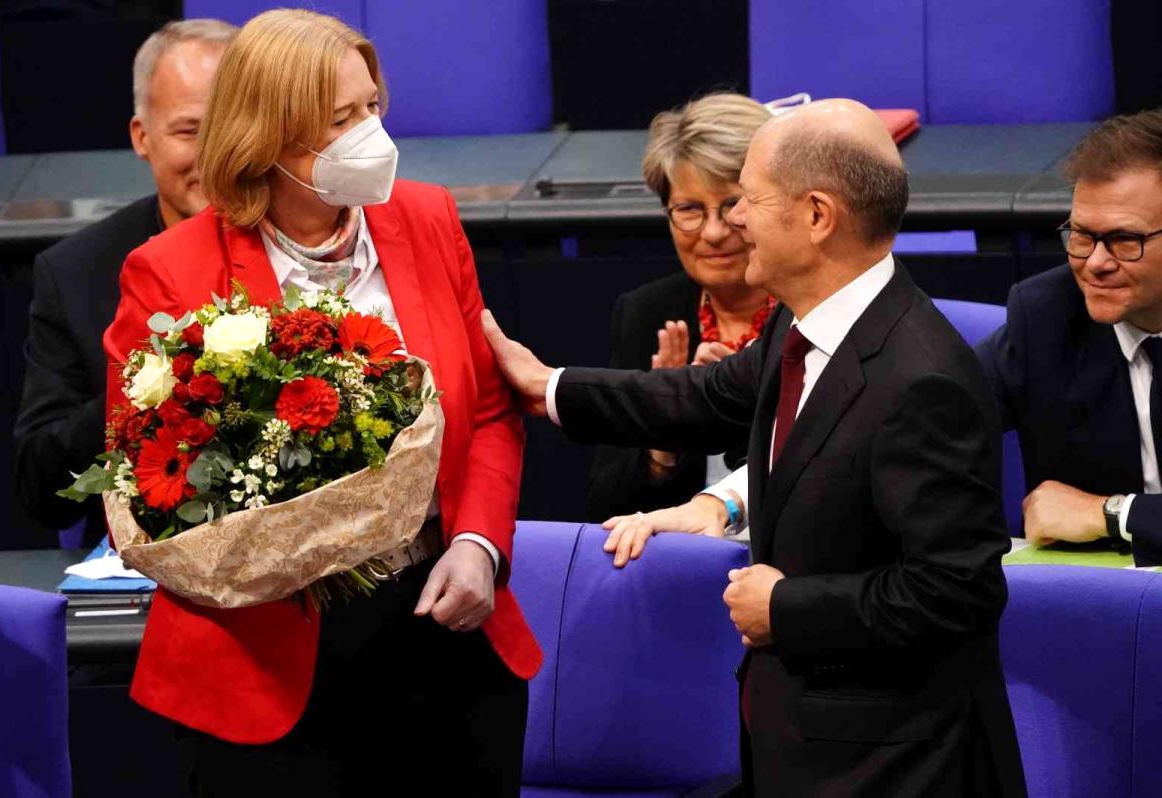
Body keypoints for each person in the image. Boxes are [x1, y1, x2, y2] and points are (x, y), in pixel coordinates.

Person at [483, 99, 1026, 796]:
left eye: (748, 200)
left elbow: (959, 592)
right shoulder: (801, 330)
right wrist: (547, 387)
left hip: (892, 766)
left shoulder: (923, 378)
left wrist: (788, 606)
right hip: (804, 747)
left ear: (818, 216)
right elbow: (700, 398)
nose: (733, 222)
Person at [102, 10, 540, 796]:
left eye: (372, 106)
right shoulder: (169, 271)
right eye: (340, 120)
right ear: (266, 139)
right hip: (267, 671)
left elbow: (488, 413)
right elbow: (149, 483)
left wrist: (480, 544)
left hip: (445, 631)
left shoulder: (429, 218)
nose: (370, 134)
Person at [13, 19, 236, 545]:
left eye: (235, 126)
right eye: (190, 130)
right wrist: (138, 385)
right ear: (142, 137)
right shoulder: (75, 274)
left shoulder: (313, 243)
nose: (216, 153)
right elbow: (39, 490)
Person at [976, 109, 1162, 565]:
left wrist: (1112, 513)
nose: (1095, 262)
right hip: (1097, 609)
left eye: (1124, 239)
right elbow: (928, 414)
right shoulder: (1046, 315)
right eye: (1081, 235)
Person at [585, 93, 775, 524]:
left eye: (733, 206)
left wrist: (748, 404)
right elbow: (603, 507)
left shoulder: (812, 312)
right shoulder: (647, 314)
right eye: (689, 209)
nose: (712, 232)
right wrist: (662, 443)